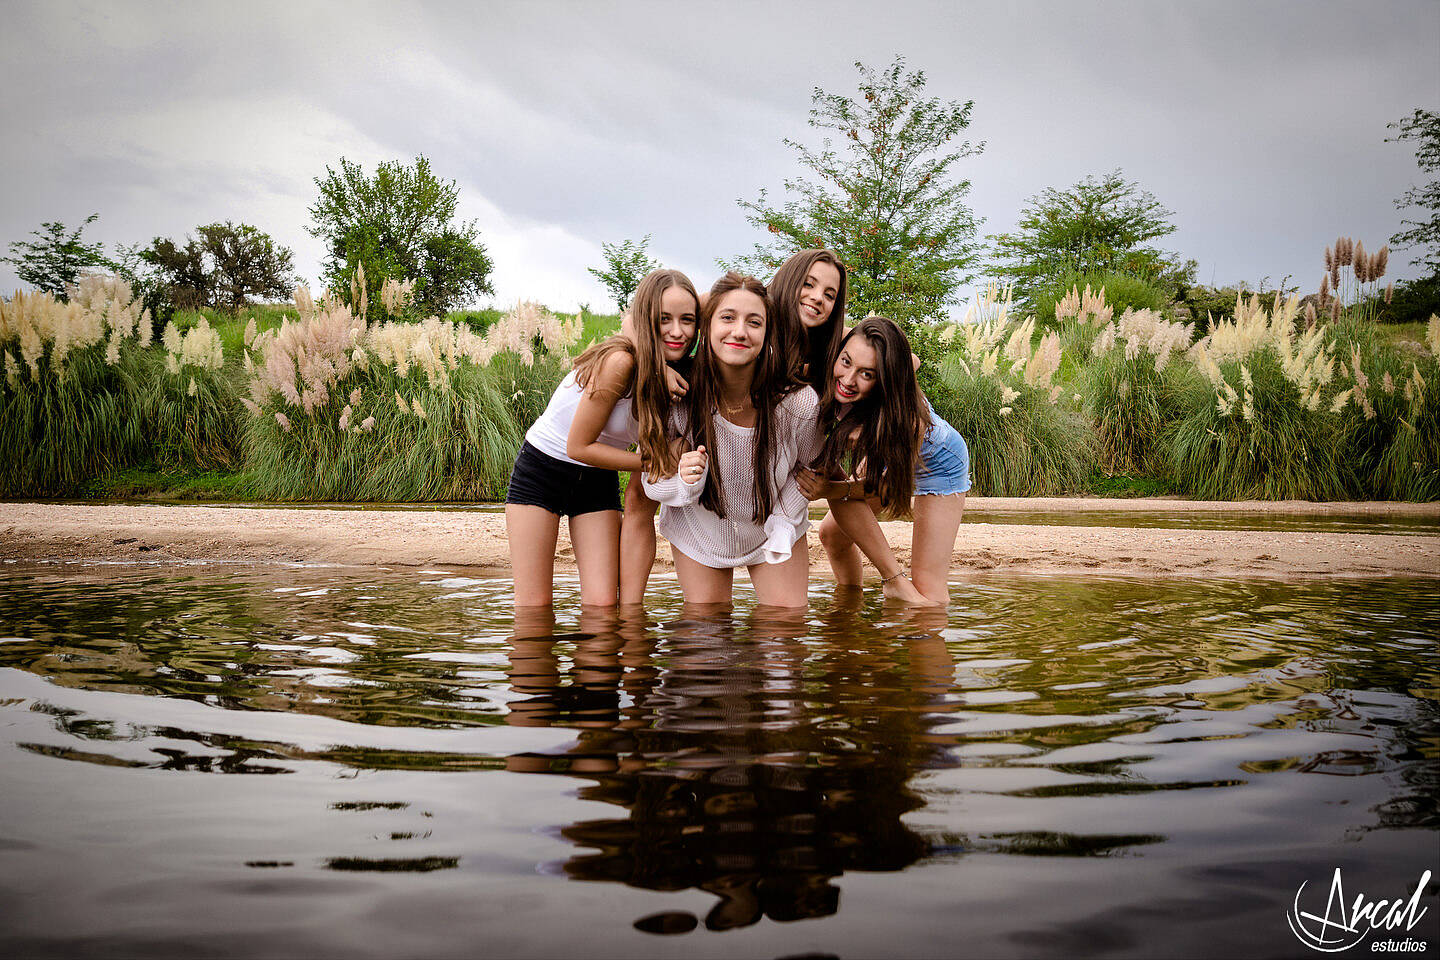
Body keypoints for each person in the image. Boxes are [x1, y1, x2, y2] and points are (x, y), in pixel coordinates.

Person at [505, 269, 699, 606]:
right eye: (664, 319)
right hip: (542, 470)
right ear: (645, 319)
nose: (677, 331)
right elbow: (577, 446)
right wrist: (653, 460)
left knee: (603, 606)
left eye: (688, 320)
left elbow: (723, 298)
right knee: (534, 608)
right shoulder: (620, 362)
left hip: (596, 476)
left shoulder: (683, 372)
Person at [642, 272, 820, 608]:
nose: (739, 331)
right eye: (727, 318)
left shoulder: (798, 402)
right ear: (706, 328)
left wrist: (783, 522)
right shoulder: (677, 395)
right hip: (699, 532)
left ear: (767, 334)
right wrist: (684, 481)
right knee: (707, 637)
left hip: (774, 527)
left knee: (786, 631)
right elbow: (651, 483)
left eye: (754, 322)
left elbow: (808, 472)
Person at [798, 316, 970, 605]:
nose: (849, 381)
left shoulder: (907, 424)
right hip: (884, 444)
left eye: (867, 374)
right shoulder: (848, 340)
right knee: (832, 535)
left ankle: (919, 620)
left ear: (885, 378)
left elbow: (881, 490)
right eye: (846, 362)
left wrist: (828, 490)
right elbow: (911, 359)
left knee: (928, 588)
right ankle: (850, 610)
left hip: (940, 461)